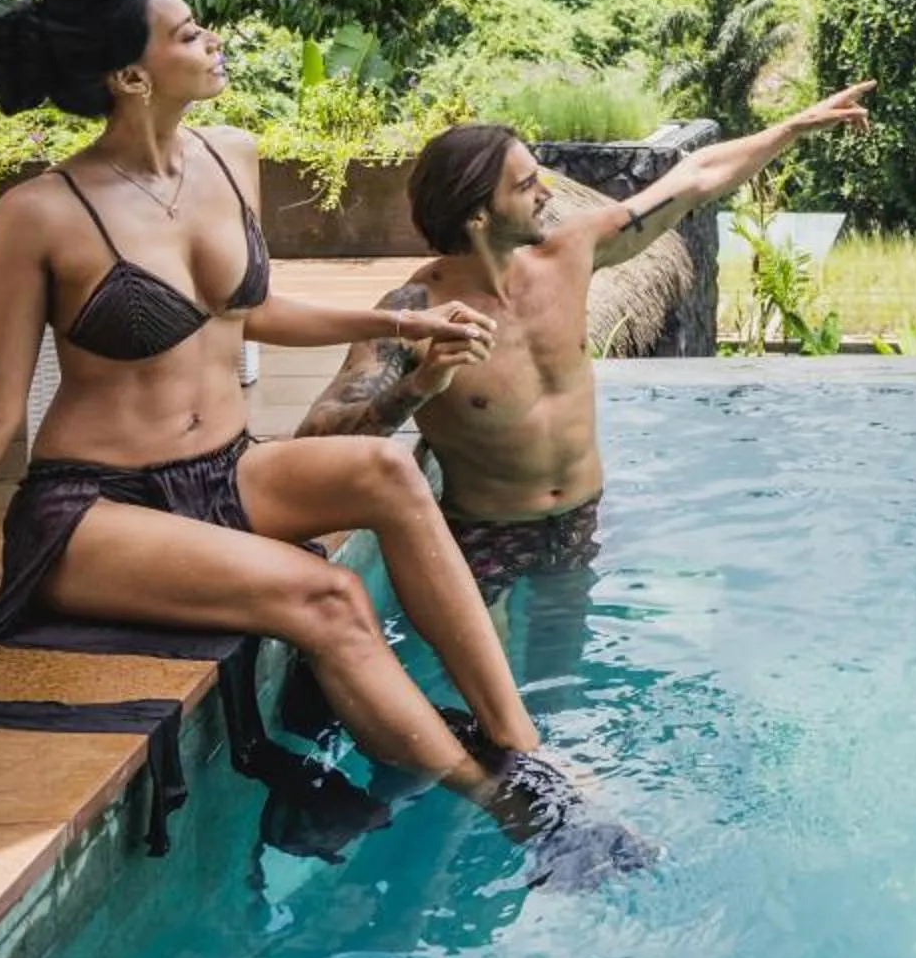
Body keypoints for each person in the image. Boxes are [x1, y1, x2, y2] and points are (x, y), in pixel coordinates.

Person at [0, 0, 640, 877]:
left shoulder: (226, 155)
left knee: (391, 474)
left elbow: (249, 312)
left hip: (221, 471)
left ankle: (524, 748)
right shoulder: (40, 214)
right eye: (188, 33)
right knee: (327, 597)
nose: (213, 41)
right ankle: (509, 806)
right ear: (131, 77)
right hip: (95, 510)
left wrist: (398, 319)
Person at [296, 85, 876, 607]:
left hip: (579, 518)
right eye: (526, 186)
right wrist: (417, 388)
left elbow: (694, 177)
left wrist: (793, 128)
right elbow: (315, 442)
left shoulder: (573, 251)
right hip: (483, 537)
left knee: (563, 683)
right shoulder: (413, 314)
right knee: (495, 706)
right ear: (478, 214)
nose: (547, 193)